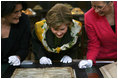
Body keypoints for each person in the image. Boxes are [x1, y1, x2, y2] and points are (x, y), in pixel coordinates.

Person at [79, 1, 117, 69]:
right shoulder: (89, 16)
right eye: (93, 6)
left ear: (111, 3)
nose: (96, 11)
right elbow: (94, 43)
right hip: (103, 60)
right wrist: (90, 60)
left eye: (100, 7)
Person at [1, 1, 31, 75]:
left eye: (20, 11)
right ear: (4, 11)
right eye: (16, 12)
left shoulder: (24, 20)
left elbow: (24, 48)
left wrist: (18, 57)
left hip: (12, 68)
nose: (19, 14)